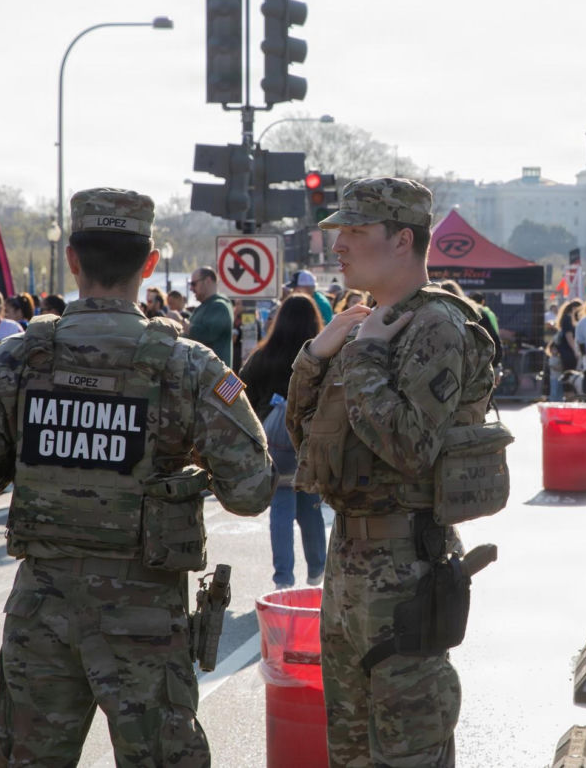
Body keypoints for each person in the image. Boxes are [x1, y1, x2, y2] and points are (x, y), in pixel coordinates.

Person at [0, 187, 277, 766]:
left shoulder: (14, 361)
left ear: (71, 260)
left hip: (42, 611)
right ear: (148, 264)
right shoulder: (188, 367)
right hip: (145, 615)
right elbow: (252, 489)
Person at [286, 177, 496, 766]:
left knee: (408, 753)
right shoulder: (365, 321)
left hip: (405, 571)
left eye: (355, 231)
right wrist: (317, 355)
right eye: (339, 232)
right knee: (348, 753)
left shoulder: (435, 327)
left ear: (402, 239)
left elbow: (410, 448)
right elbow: (308, 442)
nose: (339, 245)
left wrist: (369, 354)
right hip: (348, 566)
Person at [240, 293, 326, 590]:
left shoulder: (263, 356)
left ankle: (283, 580)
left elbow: (236, 394)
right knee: (310, 505)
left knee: (281, 508)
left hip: (273, 444)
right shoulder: (322, 354)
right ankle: (317, 573)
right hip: (310, 443)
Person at [186, 266, 234, 366]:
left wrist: (187, 327)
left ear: (207, 281)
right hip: (203, 374)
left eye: (194, 284)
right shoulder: (204, 306)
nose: (191, 288)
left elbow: (208, 335)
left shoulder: (220, 306)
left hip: (214, 375)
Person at [547, 299, 582, 400]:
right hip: (568, 354)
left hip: (566, 353)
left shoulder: (565, 318)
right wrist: (576, 351)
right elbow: (569, 336)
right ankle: (570, 399)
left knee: (567, 380)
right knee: (569, 379)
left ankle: (568, 398)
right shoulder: (568, 319)